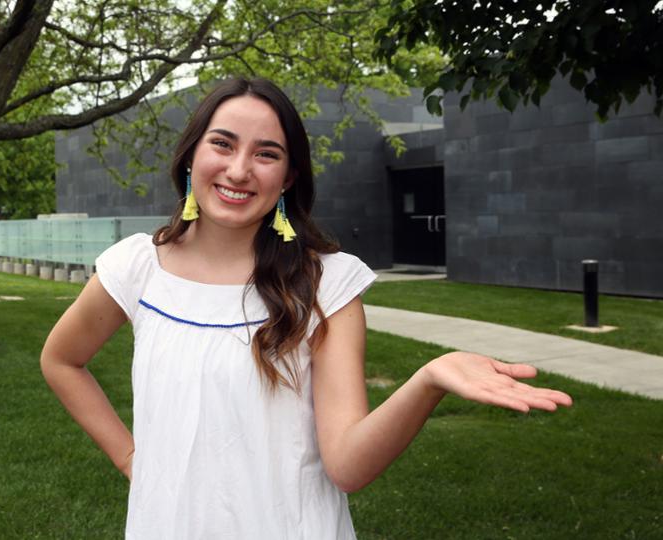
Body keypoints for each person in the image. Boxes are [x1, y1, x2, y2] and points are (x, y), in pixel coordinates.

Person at [40, 78, 572, 539]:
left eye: (267, 153)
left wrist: (428, 379)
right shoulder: (136, 267)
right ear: (191, 155)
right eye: (222, 144)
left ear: (289, 178)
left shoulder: (327, 284)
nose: (240, 169)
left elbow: (347, 464)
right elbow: (61, 360)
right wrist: (130, 458)